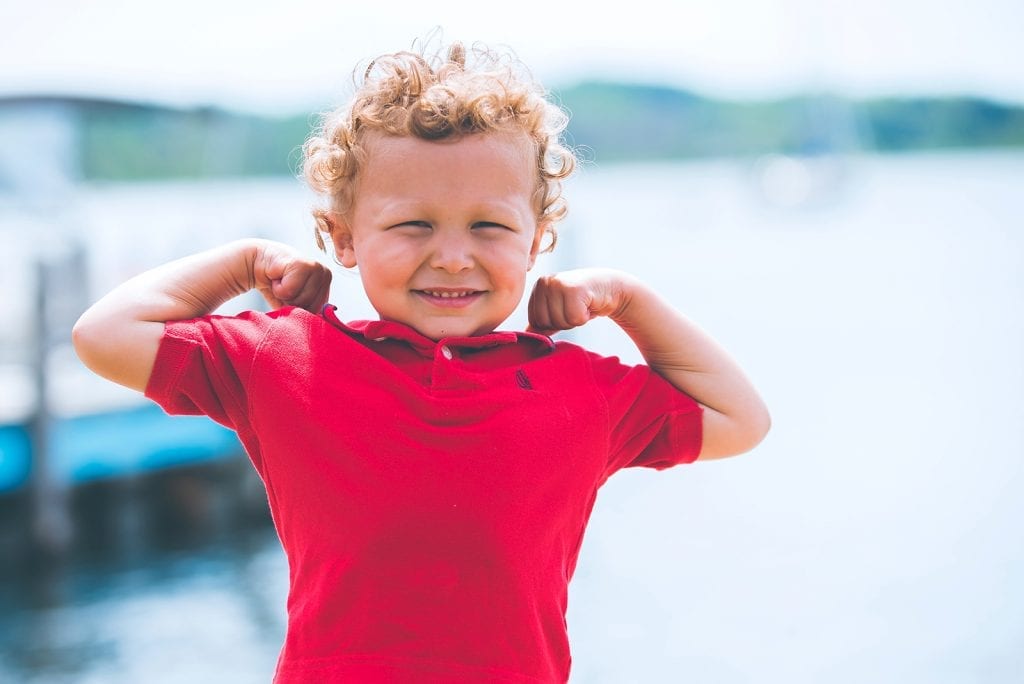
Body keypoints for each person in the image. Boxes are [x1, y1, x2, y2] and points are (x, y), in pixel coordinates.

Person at [73, 38, 770, 684]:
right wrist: (243, 260)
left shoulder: (579, 389)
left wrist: (630, 300)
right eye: (414, 224)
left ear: (536, 243)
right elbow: (104, 334)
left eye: (489, 226)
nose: (453, 255)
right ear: (343, 238)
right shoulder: (287, 358)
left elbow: (742, 419)